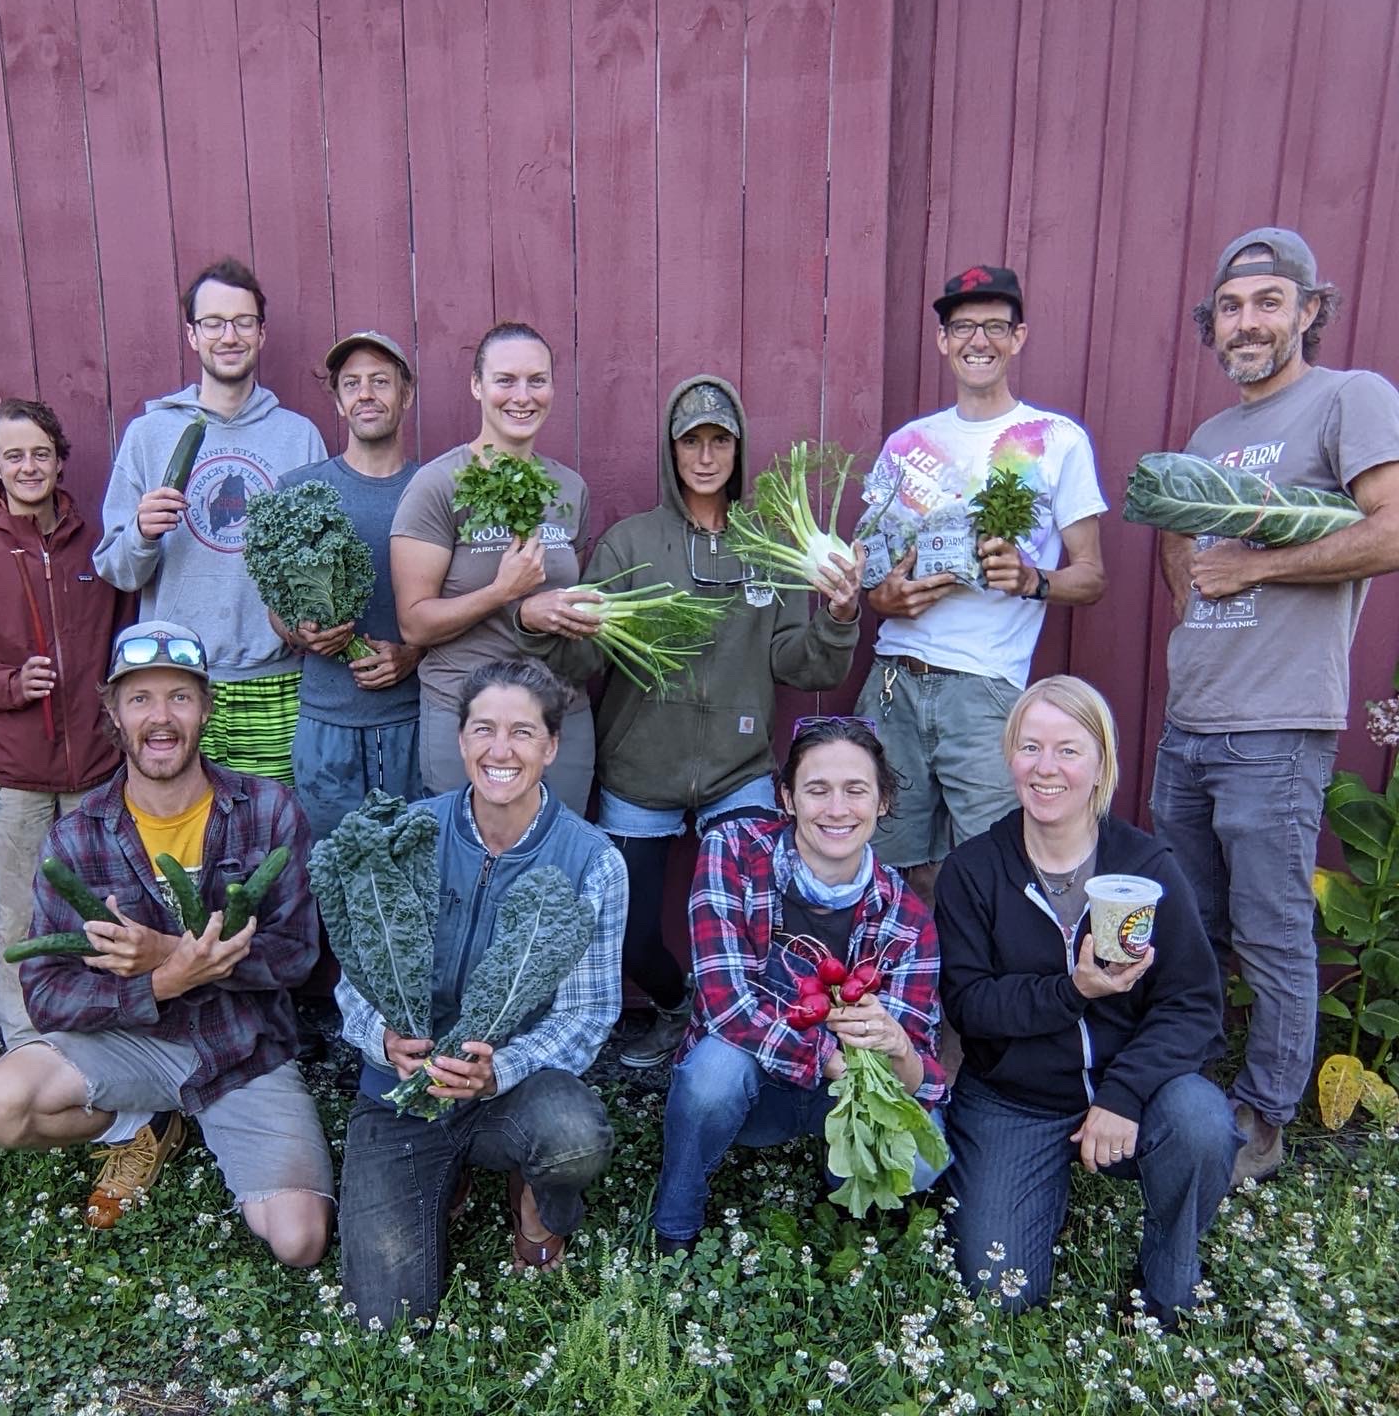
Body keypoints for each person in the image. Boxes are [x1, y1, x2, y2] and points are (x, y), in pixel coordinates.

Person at [515, 375, 863, 1067]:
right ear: (670, 451)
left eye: (719, 440)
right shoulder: (629, 542)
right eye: (691, 441)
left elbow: (802, 665)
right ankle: (681, 1011)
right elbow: (584, 657)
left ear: (738, 448)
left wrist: (842, 617)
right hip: (641, 772)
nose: (705, 456)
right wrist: (543, 624)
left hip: (740, 775)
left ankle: (737, 1045)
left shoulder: (769, 546)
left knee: (756, 928)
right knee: (629, 934)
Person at [1150, 227, 1399, 1186]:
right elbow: (1182, 538)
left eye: (1267, 302)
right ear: (1210, 327)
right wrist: (1192, 595)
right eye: (1229, 308)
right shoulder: (1212, 437)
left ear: (1307, 309)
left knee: (1270, 931)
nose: (1246, 322)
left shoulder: (1349, 399)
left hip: (1277, 729)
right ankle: (1196, 1093)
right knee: (1195, 926)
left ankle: (1263, 1117)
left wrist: (1261, 567)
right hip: (1191, 724)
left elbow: (1389, 529)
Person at [0, 622, 333, 1262]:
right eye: (140, 699)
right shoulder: (78, 840)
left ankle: (212, 1125)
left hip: (242, 1050)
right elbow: (47, 992)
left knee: (299, 1242)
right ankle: (143, 1121)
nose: (161, 718)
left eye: (179, 697)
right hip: (131, 1045)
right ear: (112, 711)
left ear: (207, 705)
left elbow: (298, 954)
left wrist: (176, 956)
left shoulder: (268, 811)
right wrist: (161, 981)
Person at [935, 676, 1241, 1328]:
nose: (1046, 769)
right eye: (1030, 747)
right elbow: (970, 1006)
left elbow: (1193, 1004)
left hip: (1134, 1092)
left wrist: (1123, 1095)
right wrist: (1071, 990)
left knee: (1200, 1122)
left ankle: (1165, 1282)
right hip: (1013, 1098)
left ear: (1101, 763)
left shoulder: (1147, 868)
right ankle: (1024, 1180)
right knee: (1001, 1293)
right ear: (1009, 755)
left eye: (1068, 750)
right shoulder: (973, 871)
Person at [335, 658, 627, 1328]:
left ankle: (533, 1200)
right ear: (461, 739)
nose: (502, 750)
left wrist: (500, 1071)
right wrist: (380, 1038)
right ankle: (450, 1173)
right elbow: (353, 978)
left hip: (512, 1090)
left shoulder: (592, 861)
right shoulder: (405, 835)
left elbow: (587, 1014)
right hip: (403, 1092)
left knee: (572, 1136)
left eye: (523, 733)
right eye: (484, 729)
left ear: (551, 747)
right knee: (387, 1321)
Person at [856, 265, 1107, 903]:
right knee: (881, 864)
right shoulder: (908, 443)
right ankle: (893, 997)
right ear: (943, 340)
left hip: (986, 690)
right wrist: (879, 598)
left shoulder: (1056, 441)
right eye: (964, 326)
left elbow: (1092, 576)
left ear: (1018, 338)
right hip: (893, 680)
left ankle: (984, 1003)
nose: (979, 340)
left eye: (996, 326)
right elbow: (873, 566)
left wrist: (1032, 581)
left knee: (991, 871)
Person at [650, 717, 947, 1254]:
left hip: (841, 1099)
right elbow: (726, 1006)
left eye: (856, 790)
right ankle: (675, 1225)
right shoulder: (734, 852)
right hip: (755, 1087)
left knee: (925, 1160)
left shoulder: (906, 918)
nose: (837, 809)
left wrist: (898, 1045)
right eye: (817, 789)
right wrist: (828, 1058)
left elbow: (917, 1078)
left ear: (882, 802)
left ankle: (851, 1213)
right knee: (713, 1074)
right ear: (787, 797)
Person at [93, 257, 326, 785]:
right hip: (176, 682)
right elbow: (117, 571)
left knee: (274, 845)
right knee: (186, 848)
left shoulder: (298, 436)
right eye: (214, 323)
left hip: (276, 681)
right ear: (193, 335)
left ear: (261, 334)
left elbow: (318, 565)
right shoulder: (149, 435)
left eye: (243, 322)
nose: (229, 335)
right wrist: (142, 534)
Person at [0, 399, 133, 1047]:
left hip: (94, 770)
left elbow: (125, 640)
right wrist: (8, 685)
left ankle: (98, 1038)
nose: (28, 466)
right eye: (13, 456)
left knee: (102, 912)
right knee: (23, 917)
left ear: (60, 460)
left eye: (39, 453)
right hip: (16, 776)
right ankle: (29, 1045)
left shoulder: (99, 547)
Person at [390, 323, 594, 809]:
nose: (522, 396)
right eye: (505, 380)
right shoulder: (438, 485)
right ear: (477, 385)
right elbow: (414, 623)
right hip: (467, 716)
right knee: (470, 871)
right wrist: (502, 594)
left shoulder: (569, 488)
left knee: (557, 869)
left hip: (556, 716)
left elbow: (564, 597)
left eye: (536, 380)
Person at [271, 331, 424, 842]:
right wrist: (302, 632)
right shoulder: (300, 490)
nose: (366, 394)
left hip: (413, 722)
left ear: (406, 394)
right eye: (352, 383)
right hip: (326, 729)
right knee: (337, 883)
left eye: (381, 381)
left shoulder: (435, 489)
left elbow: (459, 603)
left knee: (412, 881)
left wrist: (414, 653)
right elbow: (276, 605)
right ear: (337, 401)